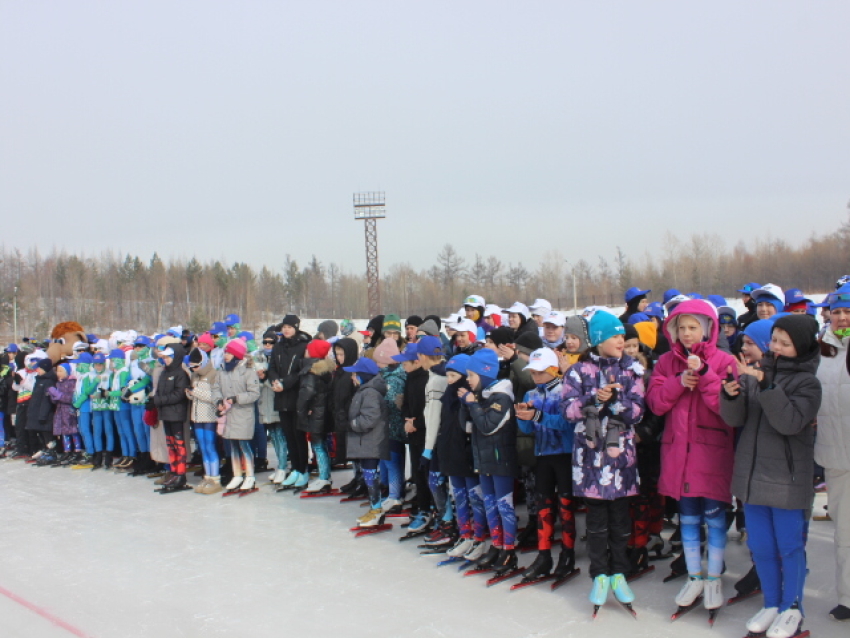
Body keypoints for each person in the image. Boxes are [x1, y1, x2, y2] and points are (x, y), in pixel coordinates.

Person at [721, 314, 822, 638]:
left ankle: (792, 608)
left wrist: (766, 385)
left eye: (784, 342)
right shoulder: (756, 374)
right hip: (752, 478)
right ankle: (772, 603)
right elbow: (736, 420)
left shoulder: (808, 383)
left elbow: (790, 423)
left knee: (789, 548)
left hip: (786, 481)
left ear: (801, 346)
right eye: (774, 339)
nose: (775, 346)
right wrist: (732, 394)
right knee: (762, 548)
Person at [646, 299, 737, 615]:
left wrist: (707, 376)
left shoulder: (725, 361)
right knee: (687, 519)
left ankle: (714, 577)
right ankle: (695, 576)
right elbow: (656, 404)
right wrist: (678, 383)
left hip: (712, 456)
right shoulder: (666, 363)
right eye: (681, 327)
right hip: (678, 455)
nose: (686, 334)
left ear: (708, 328)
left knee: (714, 519)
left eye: (692, 327)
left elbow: (728, 409)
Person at [562, 310, 644, 609]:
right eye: (615, 336)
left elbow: (638, 412)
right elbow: (568, 411)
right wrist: (594, 399)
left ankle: (620, 571)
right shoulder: (578, 372)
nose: (621, 341)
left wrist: (617, 401)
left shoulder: (632, 370)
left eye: (623, 336)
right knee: (596, 522)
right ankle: (599, 574)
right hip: (591, 461)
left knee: (621, 520)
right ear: (598, 339)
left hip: (621, 460)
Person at [516, 348, 577, 582]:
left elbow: (567, 423)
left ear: (553, 370)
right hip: (542, 455)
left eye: (540, 372)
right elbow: (527, 429)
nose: (535, 376)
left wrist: (536, 416)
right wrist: (523, 417)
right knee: (543, 506)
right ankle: (544, 556)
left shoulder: (565, 391)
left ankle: (567, 554)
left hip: (564, 455)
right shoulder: (531, 394)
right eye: (532, 372)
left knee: (565, 505)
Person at [460, 349, 519, 575]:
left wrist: (472, 404)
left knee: (504, 507)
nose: (468, 379)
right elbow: (468, 427)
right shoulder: (483, 396)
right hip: (484, 461)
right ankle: (496, 546)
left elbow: (487, 426)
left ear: (484, 374)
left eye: (471, 375)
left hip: (500, 461)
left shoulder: (501, 398)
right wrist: (469, 405)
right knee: (490, 505)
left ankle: (509, 550)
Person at [814, 284, 850, 621]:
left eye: (848, 311)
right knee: (846, 533)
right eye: (837, 311)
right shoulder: (822, 350)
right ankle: (848, 596)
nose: (841, 317)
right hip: (837, 456)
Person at [437, 354, 488, 561]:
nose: (450, 380)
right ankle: (464, 533)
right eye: (447, 375)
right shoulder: (448, 396)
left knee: (475, 497)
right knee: (458, 495)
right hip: (451, 453)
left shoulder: (471, 397)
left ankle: (479, 537)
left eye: (454, 376)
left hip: (467, 454)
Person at [344, 357, 390, 527]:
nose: (353, 377)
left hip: (371, 442)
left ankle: (376, 510)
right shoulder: (365, 390)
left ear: (364, 375)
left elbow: (370, 418)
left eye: (355, 374)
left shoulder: (370, 392)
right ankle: (374, 509)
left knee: (371, 477)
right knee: (369, 475)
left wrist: (352, 424)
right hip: (367, 442)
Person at [268, 315, 311, 490]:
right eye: (284, 327)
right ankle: (295, 469)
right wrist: (275, 381)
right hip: (280, 396)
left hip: (295, 396)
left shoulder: (302, 346)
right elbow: (272, 368)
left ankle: (303, 469)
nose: (286, 330)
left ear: (296, 327)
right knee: (288, 435)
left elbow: (301, 371)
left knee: (298, 434)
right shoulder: (278, 346)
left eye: (289, 327)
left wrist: (284, 384)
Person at [213, 338, 261, 493]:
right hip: (229, 415)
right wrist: (219, 400)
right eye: (225, 352)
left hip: (243, 414)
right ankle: (237, 474)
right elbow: (216, 388)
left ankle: (250, 475)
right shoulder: (222, 370)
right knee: (232, 446)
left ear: (237, 355)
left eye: (229, 352)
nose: (226, 355)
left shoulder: (248, 371)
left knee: (244, 445)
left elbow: (254, 393)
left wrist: (237, 398)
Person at [394, 343, 433, 532]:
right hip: (414, 434)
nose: (403, 367)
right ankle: (423, 507)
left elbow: (430, 411)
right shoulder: (410, 378)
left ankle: (430, 510)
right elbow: (407, 404)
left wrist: (416, 424)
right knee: (418, 474)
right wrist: (406, 420)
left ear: (417, 361)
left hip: (426, 435)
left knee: (427, 474)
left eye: (405, 363)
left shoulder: (427, 379)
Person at [149, 343, 190, 492]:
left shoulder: (181, 373)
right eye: (164, 357)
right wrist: (153, 402)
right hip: (165, 413)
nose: (165, 360)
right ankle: (173, 471)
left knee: (179, 444)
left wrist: (158, 401)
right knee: (170, 444)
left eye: (168, 357)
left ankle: (181, 474)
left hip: (177, 413)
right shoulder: (164, 373)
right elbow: (159, 391)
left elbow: (179, 395)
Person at [297, 339, 335, 493]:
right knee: (321, 444)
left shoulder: (311, 371)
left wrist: (301, 412)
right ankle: (324, 476)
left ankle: (324, 478)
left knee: (318, 445)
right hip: (323, 412)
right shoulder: (326, 370)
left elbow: (306, 393)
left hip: (315, 413)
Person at [187, 348, 222, 494]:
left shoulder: (214, 374)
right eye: (192, 367)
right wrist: (189, 393)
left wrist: (194, 392)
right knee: (202, 446)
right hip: (196, 416)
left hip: (209, 415)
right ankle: (207, 476)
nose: (194, 369)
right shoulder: (195, 376)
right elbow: (193, 397)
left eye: (196, 365)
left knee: (209, 445)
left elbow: (213, 396)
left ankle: (215, 477)